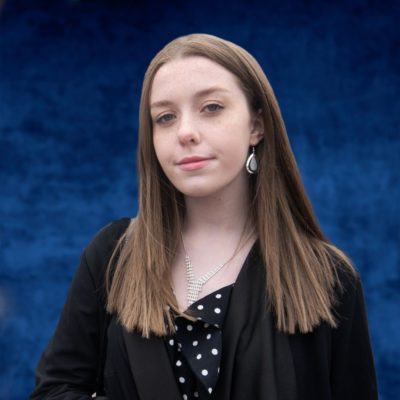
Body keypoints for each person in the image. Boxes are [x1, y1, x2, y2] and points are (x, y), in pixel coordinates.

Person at [30, 33, 378, 400]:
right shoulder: (112, 255)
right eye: (164, 117)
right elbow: (55, 390)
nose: (185, 133)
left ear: (257, 126)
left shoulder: (328, 278)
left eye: (211, 107)